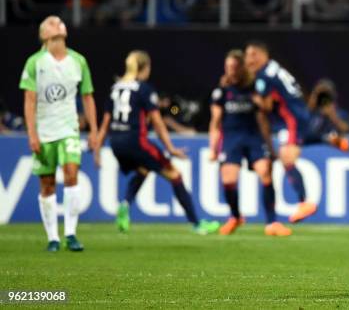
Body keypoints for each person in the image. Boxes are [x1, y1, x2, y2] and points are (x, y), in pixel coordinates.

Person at [96, 51, 219, 235]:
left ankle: (125, 204)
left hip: (116, 142)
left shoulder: (116, 88)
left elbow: (105, 123)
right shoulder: (144, 89)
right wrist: (171, 148)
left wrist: (97, 149)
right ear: (144, 68)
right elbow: (158, 123)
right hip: (136, 141)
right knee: (175, 175)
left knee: (144, 170)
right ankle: (197, 223)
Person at [19, 15, 99, 252]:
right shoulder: (35, 63)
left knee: (72, 174)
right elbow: (29, 100)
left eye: (60, 21)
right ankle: (53, 237)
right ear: (44, 34)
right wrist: (32, 134)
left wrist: (94, 131)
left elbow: (87, 97)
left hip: (69, 129)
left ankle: (71, 234)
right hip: (44, 132)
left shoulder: (78, 61)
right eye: (52, 22)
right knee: (47, 184)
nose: (59, 23)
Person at [209, 50, 292, 236]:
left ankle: (272, 223)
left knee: (265, 172)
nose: (230, 70)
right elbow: (215, 122)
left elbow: (264, 116)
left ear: (241, 68)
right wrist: (213, 148)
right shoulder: (221, 91)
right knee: (228, 179)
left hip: (254, 137)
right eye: (227, 67)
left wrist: (270, 146)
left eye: (234, 67)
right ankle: (235, 216)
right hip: (231, 139)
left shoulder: (255, 88)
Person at [245, 41, 318, 223]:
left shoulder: (263, 76)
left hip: (291, 120)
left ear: (264, 55)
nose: (250, 60)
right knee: (281, 160)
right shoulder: (274, 68)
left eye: (254, 55)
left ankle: (304, 202)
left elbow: (267, 105)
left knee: (286, 157)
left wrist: (252, 99)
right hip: (298, 115)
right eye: (248, 55)